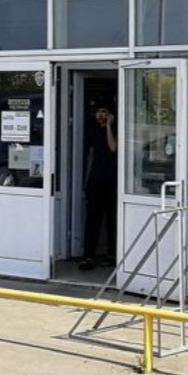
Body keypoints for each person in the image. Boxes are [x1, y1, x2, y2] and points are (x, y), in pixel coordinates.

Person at [80, 103, 117, 271]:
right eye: (98, 112)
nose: (101, 115)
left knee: (112, 219)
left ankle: (112, 254)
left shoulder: (115, 129)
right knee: (93, 219)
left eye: (104, 111)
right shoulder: (92, 131)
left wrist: (109, 126)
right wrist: (86, 181)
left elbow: (113, 147)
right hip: (95, 181)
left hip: (112, 181)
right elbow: (91, 155)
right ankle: (88, 255)